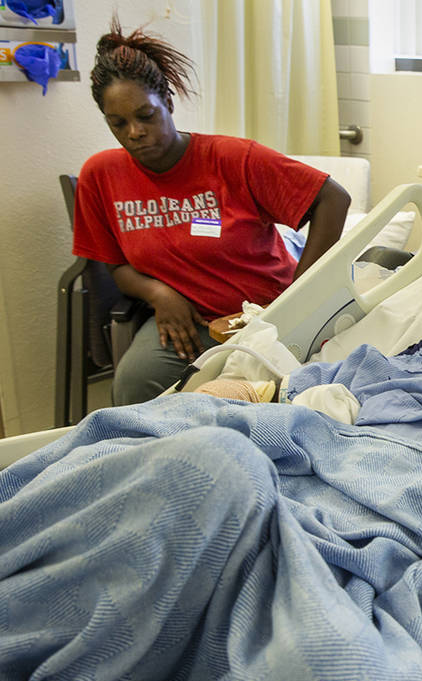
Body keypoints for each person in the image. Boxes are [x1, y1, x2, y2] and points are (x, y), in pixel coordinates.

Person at [0, 252, 422, 681]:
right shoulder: (379, 366)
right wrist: (192, 409)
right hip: (230, 505)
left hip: (338, 575)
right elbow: (251, 400)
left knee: (352, 672)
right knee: (214, 464)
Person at [72, 18, 352, 406]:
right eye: (118, 123)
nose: (135, 132)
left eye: (146, 116)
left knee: (285, 402)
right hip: (186, 321)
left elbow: (333, 200)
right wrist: (158, 293)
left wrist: (297, 301)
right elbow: (117, 267)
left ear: (167, 103)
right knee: (134, 388)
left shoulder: (233, 158)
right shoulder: (100, 176)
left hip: (265, 314)